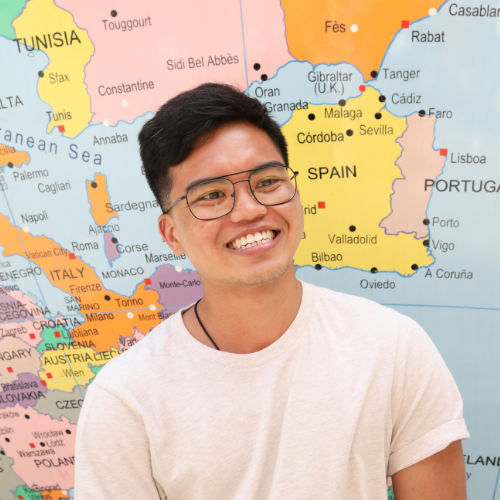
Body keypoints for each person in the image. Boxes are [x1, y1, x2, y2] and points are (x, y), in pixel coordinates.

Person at [74, 83, 469, 499]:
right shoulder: (126, 399)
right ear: (171, 234)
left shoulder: (392, 347)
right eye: (211, 195)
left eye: (267, 181)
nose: (250, 210)